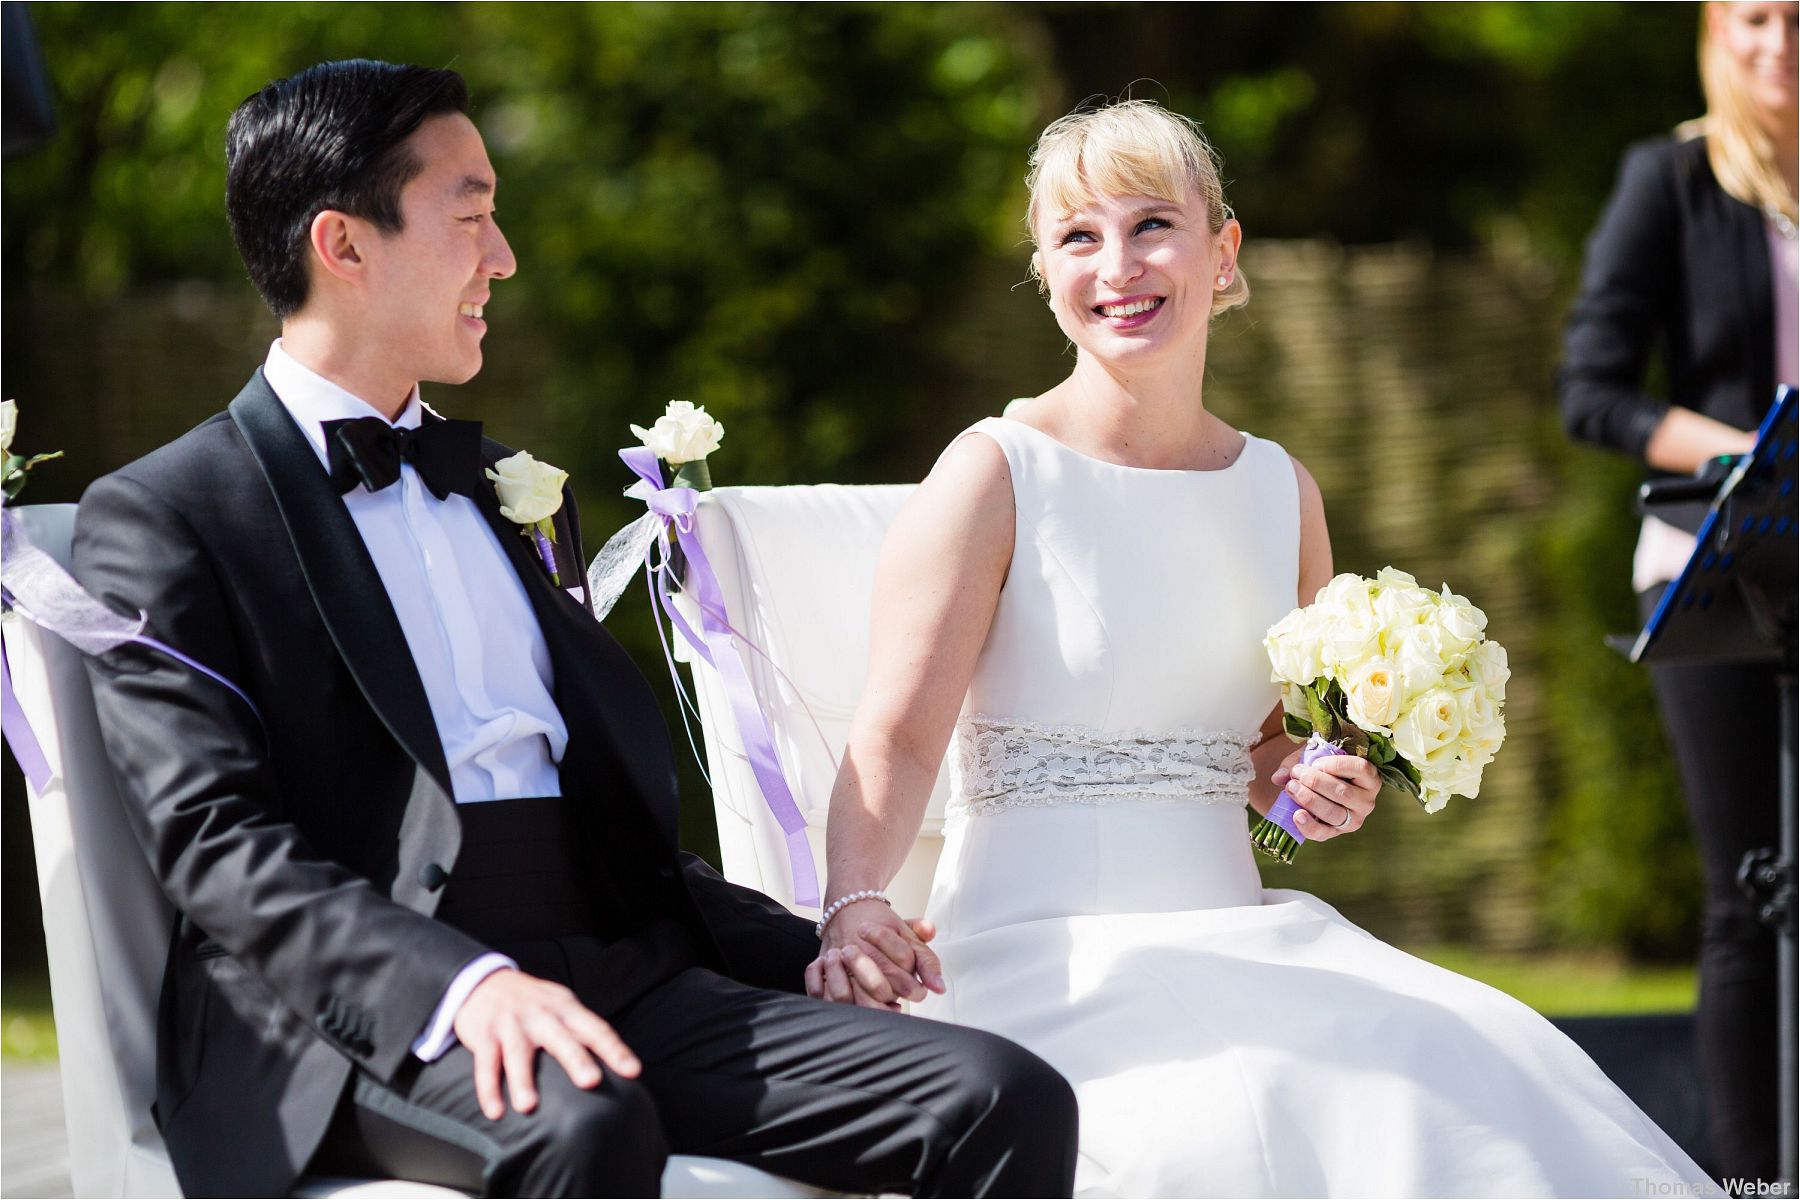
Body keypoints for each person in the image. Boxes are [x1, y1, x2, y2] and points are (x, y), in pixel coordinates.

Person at [70, 60, 1078, 1199]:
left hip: (617, 968)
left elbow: (605, 828)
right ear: (342, 246)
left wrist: (804, 943)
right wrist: (460, 988)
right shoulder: (167, 514)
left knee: (1001, 1098)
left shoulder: (505, 483)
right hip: (350, 1019)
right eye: (474, 217)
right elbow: (213, 839)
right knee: (587, 1130)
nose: (503, 258)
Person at [804, 98, 1712, 1198]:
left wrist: (1313, 786)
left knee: (1477, 1066)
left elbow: (1264, 755)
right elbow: (896, 735)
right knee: (1234, 1121)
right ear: (1043, 272)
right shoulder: (994, 473)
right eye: (1078, 237)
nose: (1118, 265)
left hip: (1243, 934)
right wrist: (853, 905)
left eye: (1152, 225)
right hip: (1047, 955)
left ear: (1221, 251)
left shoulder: (1278, 489)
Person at [1559, 2, 1797, 1182]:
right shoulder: (1672, 180)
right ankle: (1751, 1176)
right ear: (1718, 31)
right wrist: (1750, 449)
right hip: (1719, 563)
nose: (1779, 45)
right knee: (1746, 888)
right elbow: (1591, 391)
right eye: (1756, 18)